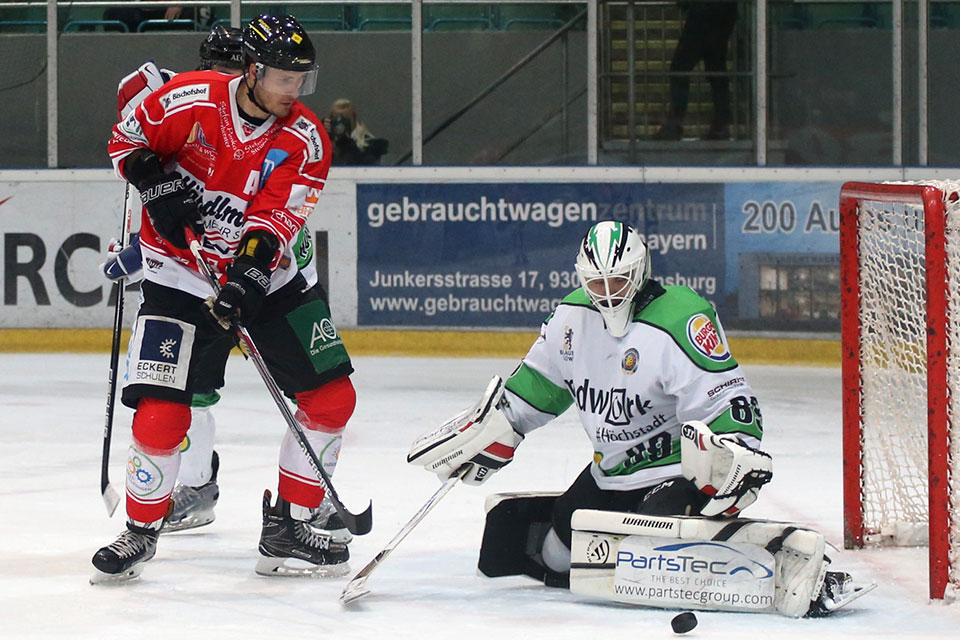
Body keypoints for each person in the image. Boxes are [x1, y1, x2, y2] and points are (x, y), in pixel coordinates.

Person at [408, 220, 871, 617]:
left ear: (641, 270)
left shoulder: (680, 318)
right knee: (558, 553)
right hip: (610, 474)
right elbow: (539, 388)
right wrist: (495, 432)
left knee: (657, 550)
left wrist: (734, 451)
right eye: (597, 284)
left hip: (674, 472)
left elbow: (724, 398)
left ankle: (796, 572)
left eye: (620, 281)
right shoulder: (570, 318)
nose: (608, 294)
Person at [92, 14, 356, 583]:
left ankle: (287, 524)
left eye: (302, 81)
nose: (294, 92)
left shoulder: (306, 138)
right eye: (285, 78)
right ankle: (141, 530)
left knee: (332, 398)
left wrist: (247, 278)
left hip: (271, 278)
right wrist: (155, 185)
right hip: (179, 273)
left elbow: (278, 216)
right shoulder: (190, 97)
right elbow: (127, 139)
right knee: (162, 413)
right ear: (254, 70)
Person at [653, 1, 739, 141]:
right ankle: (721, 125)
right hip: (724, 13)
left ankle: (674, 125)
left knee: (679, 68)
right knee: (716, 67)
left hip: (703, 14)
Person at [323, 98, 388, 166]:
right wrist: (323, 135)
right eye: (336, 119)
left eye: (345, 120)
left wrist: (345, 142)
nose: (340, 125)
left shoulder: (371, 146)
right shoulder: (324, 143)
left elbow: (365, 167)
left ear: (354, 118)